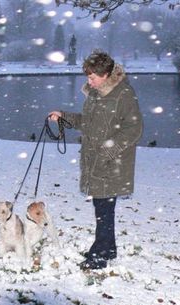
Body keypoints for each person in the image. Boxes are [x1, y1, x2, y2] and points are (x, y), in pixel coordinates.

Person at [48, 50, 143, 270]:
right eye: (87, 76)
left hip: (113, 162)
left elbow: (134, 129)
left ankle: (100, 255)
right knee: (102, 207)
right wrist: (63, 116)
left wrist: (108, 151)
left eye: (92, 77)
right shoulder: (95, 93)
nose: (88, 81)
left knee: (104, 209)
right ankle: (107, 249)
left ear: (106, 74)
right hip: (94, 159)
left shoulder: (123, 94)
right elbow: (87, 123)